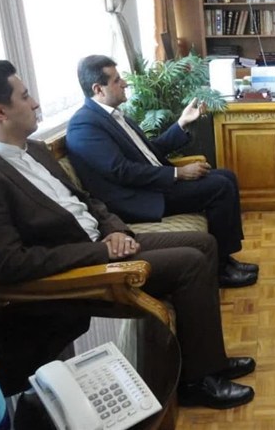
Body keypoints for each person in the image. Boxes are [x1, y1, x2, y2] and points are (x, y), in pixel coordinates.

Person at [0, 60, 255, 409]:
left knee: (205, 243)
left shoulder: (35, 149)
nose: (35, 103)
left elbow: (88, 200)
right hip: (82, 268)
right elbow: (9, 264)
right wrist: (103, 251)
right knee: (191, 263)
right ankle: (197, 382)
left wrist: (115, 230)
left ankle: (209, 360)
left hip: (103, 242)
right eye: (25, 96)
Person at [66, 55, 258, 289]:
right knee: (219, 187)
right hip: (135, 198)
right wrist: (177, 173)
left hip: (152, 184)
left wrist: (181, 123)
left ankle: (225, 258)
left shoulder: (115, 115)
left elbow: (149, 151)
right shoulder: (84, 125)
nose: (125, 84)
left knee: (226, 176)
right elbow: (121, 171)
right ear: (98, 89)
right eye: (117, 80)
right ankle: (220, 270)